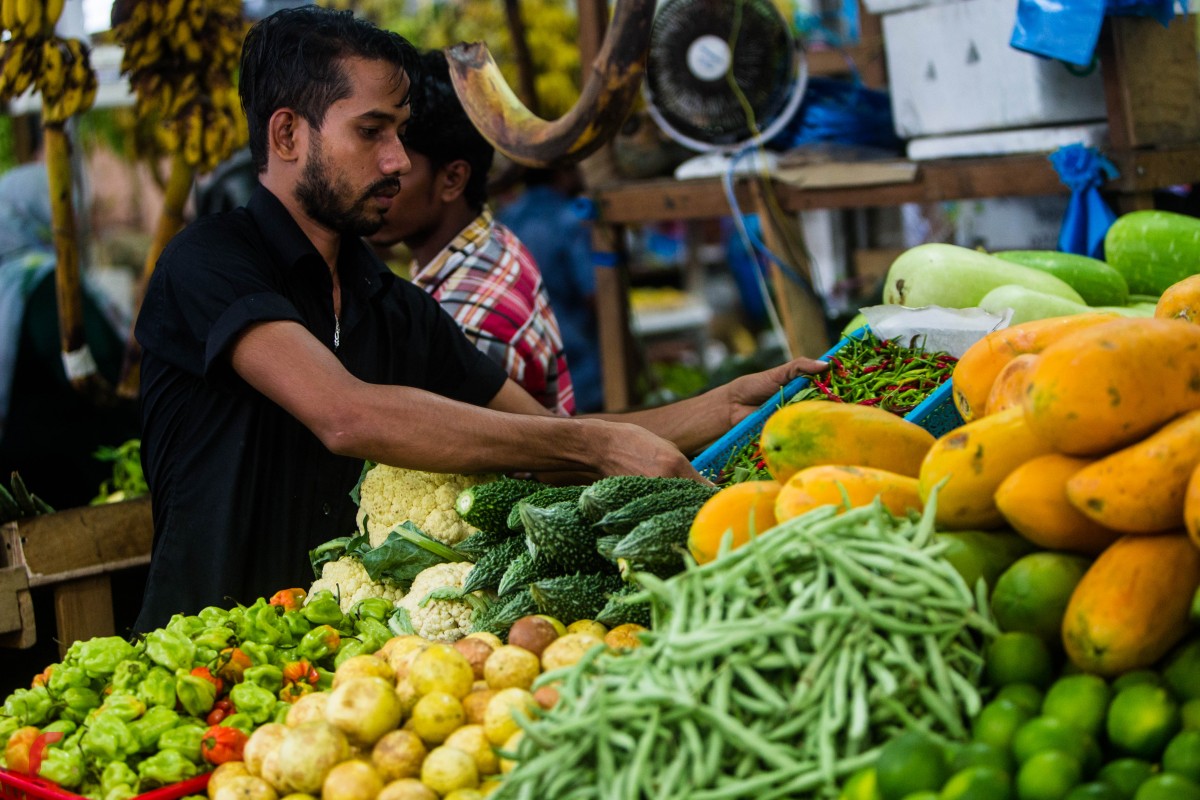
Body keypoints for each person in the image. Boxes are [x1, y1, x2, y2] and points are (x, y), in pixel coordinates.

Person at [133, 6, 826, 630]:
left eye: (401, 134)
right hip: (196, 666)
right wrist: (594, 450)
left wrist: (727, 408)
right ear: (287, 134)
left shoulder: (391, 303)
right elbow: (346, 414)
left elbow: (543, 437)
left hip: (333, 675)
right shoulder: (210, 264)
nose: (398, 160)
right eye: (371, 132)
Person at [368, 50, 574, 416]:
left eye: (397, 170)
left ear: (452, 179)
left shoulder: (465, 324)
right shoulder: (492, 242)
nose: (375, 181)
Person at [497, 164, 602, 412]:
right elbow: (593, 293)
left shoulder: (506, 218)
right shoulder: (570, 218)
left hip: (524, 359)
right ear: (561, 172)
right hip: (577, 359)